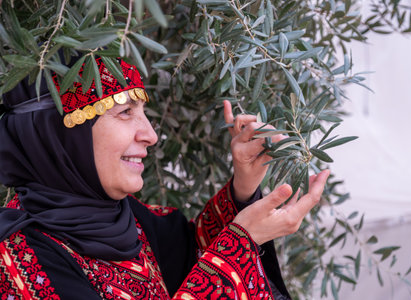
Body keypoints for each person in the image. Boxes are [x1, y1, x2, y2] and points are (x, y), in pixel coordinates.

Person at [0, 57, 329, 299]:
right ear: (60, 137)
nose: (151, 135)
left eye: (143, 113)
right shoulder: (20, 260)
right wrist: (240, 245)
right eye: (125, 112)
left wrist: (244, 186)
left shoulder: (127, 219)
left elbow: (192, 257)